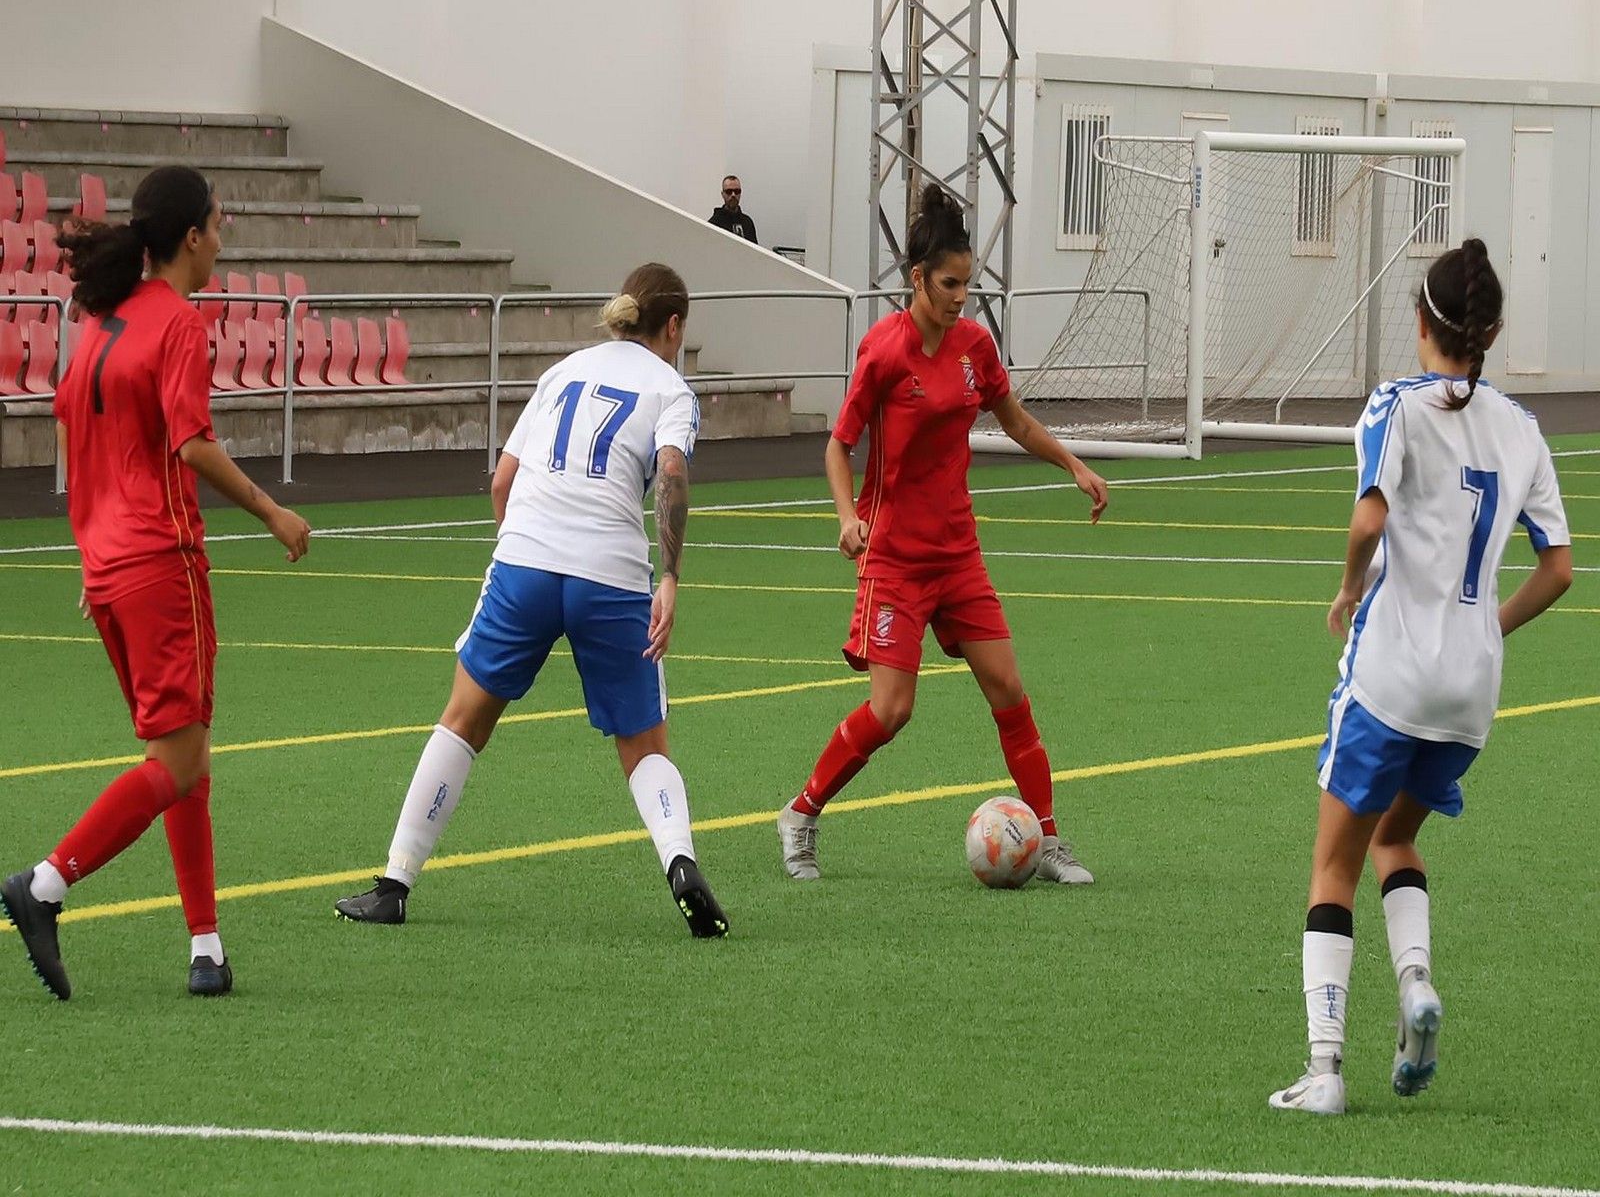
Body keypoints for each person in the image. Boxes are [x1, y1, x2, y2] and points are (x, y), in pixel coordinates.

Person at [334, 263, 728, 938]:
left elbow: (503, 481)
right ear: (675, 327)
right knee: (644, 745)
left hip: (526, 561)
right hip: (610, 571)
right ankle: (681, 861)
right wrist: (670, 577)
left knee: (463, 719)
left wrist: (525, 548)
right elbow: (670, 475)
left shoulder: (562, 371)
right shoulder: (672, 389)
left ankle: (395, 882)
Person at [1269, 240, 1572, 1116]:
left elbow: (1370, 515)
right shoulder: (1522, 427)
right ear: (1493, 332)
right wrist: (1485, 627)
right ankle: (1416, 991)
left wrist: (1348, 585)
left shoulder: (1395, 406)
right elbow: (1558, 570)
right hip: (1471, 696)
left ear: (1421, 323)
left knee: (1335, 862)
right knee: (1397, 840)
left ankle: (1324, 1070)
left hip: (1393, 679)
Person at [0, 165, 312, 1001]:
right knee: (175, 761)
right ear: (191, 237)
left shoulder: (102, 319)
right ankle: (45, 883)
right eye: (218, 223)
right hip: (158, 566)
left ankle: (206, 947)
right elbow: (192, 445)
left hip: (106, 570)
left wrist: (93, 551)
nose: (223, 237)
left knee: (183, 753)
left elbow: (79, 429)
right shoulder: (177, 323)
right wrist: (273, 511)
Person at [774, 183, 1109, 884]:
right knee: (892, 711)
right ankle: (801, 813)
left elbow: (1013, 420)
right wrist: (847, 517)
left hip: (958, 552)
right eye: (952, 284)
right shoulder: (885, 352)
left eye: (971, 284)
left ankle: (1046, 841)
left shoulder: (973, 346)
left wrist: (1073, 463)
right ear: (916, 278)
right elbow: (839, 446)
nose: (963, 297)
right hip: (894, 557)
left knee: (1009, 690)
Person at [708, 175, 757, 244]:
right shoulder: (714, 224)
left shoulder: (748, 222)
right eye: (729, 191)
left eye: (737, 191)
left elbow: (755, 251)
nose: (733, 195)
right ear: (722, 194)